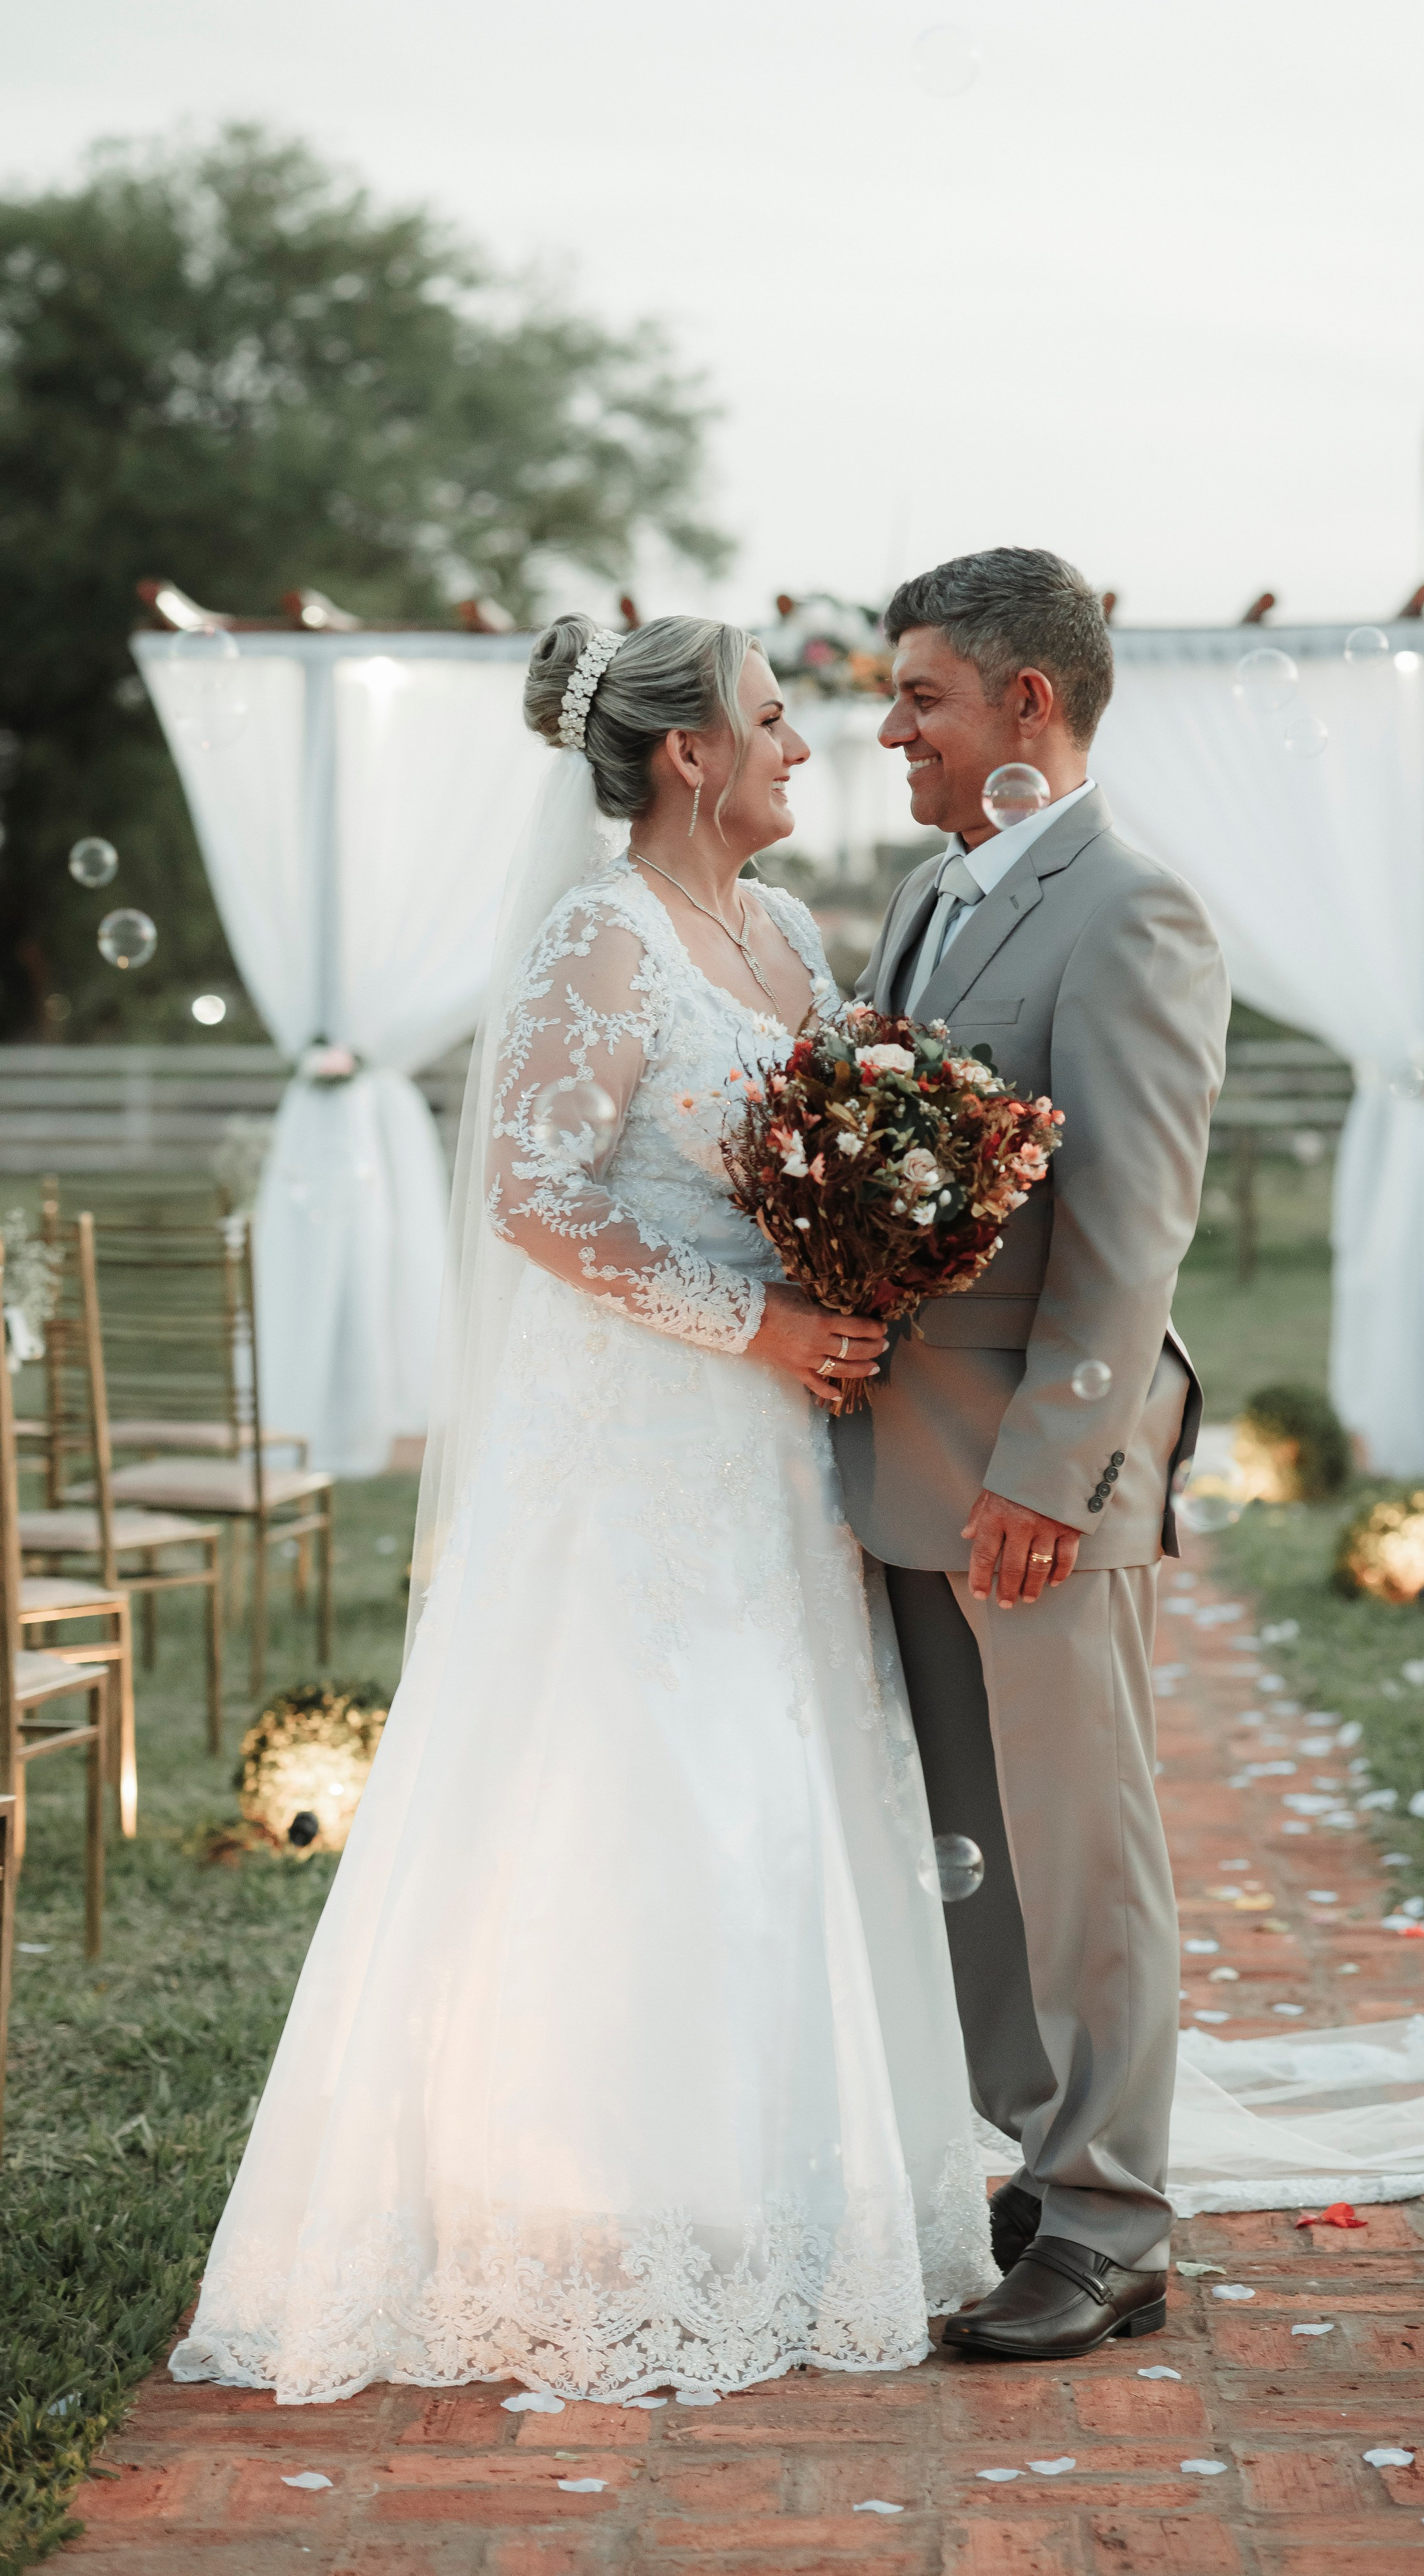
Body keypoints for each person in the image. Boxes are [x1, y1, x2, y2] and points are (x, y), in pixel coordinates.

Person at [168, 613, 996, 2407]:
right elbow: (535, 1199)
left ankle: (776, 2177)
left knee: (782, 1786)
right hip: (645, 1442)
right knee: (641, 1784)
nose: (805, 748)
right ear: (688, 753)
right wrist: (757, 1321)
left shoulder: (782, 933)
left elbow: (837, 1140)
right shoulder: (597, 936)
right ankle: (593, 2197)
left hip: (785, 1452)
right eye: (775, 722)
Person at [832, 548, 1230, 2359]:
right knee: (966, 1848)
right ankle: (1030, 2170)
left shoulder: (1131, 913)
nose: (890, 722)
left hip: (1033, 1483)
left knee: (1081, 1855)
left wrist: (1043, 1479)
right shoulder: (927, 899)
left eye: (918, 692)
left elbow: (1133, 1234)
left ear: (1027, 706)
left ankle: (1117, 2222)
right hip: (904, 1462)